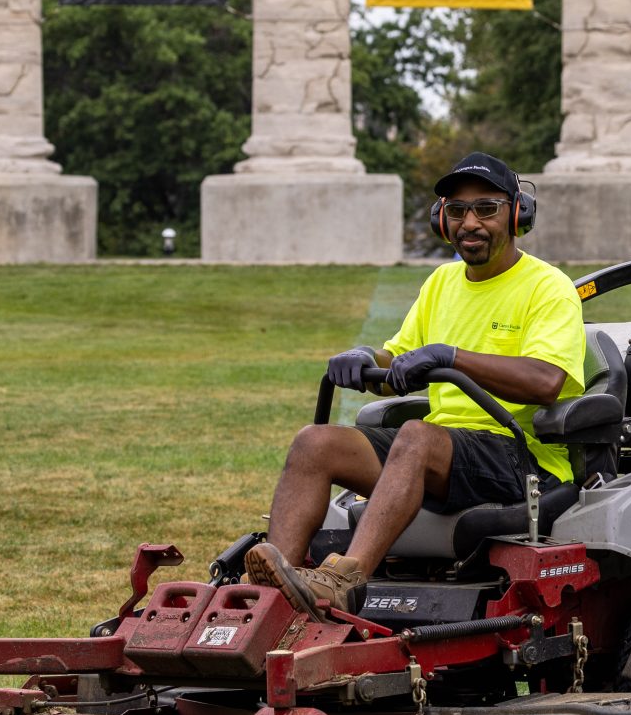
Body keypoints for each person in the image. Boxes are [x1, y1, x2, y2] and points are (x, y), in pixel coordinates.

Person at [244, 152, 586, 617]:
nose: (471, 222)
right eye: (458, 210)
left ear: (517, 213)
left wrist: (451, 357)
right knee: (315, 442)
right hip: (439, 454)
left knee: (417, 437)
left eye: (486, 208)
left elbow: (547, 381)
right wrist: (367, 358)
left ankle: (343, 579)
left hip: (518, 453)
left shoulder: (549, 287)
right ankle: (273, 595)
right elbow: (398, 361)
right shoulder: (442, 283)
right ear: (441, 219)